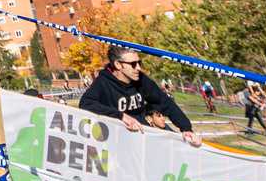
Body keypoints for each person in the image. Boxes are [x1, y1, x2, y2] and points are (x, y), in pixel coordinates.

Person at [74, 44, 204, 149]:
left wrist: (186, 128)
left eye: (139, 63)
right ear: (118, 65)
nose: (138, 68)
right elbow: (86, 104)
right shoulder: (103, 82)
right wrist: (120, 116)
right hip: (116, 143)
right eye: (133, 64)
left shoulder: (141, 80)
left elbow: (164, 102)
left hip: (142, 138)